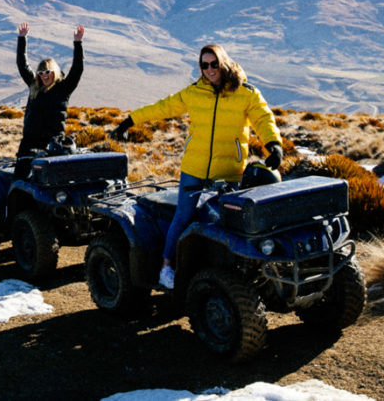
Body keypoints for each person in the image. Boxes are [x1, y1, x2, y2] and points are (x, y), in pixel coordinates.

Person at [111, 44, 283, 290]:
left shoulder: (246, 93)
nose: (210, 69)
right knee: (183, 216)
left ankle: (231, 272)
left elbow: (264, 118)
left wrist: (274, 144)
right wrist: (130, 120)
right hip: (195, 168)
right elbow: (163, 107)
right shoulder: (194, 92)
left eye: (214, 64)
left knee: (230, 224)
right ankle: (166, 268)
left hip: (229, 171)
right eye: (205, 65)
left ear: (223, 63)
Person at [15, 22, 85, 157]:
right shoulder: (34, 85)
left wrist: (78, 43)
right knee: (22, 173)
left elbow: (77, 69)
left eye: (47, 72)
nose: (44, 75)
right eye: (40, 73)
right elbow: (22, 65)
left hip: (53, 143)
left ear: (54, 71)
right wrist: (22, 39)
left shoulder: (64, 88)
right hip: (30, 140)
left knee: (48, 175)